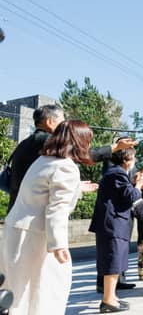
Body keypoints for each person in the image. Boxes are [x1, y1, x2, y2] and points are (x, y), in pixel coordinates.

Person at [0, 120, 97, 315]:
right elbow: (56, 209)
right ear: (80, 141)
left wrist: (77, 187)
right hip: (37, 238)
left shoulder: (43, 160)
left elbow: (40, 194)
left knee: (17, 295)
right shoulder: (66, 167)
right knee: (45, 293)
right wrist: (58, 244)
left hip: (16, 231)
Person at [7, 104, 138, 212]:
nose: (66, 126)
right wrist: (116, 147)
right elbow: (83, 155)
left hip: (17, 210)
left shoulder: (23, 144)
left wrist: (76, 186)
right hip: (35, 216)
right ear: (50, 122)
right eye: (63, 121)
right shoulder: (50, 142)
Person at [89, 147, 143, 313]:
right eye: (134, 158)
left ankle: (111, 297)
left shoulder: (116, 172)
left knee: (116, 260)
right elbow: (131, 197)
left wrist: (135, 185)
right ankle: (107, 301)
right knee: (113, 261)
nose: (135, 162)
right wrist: (139, 185)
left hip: (113, 223)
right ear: (127, 160)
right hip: (112, 224)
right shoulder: (117, 173)